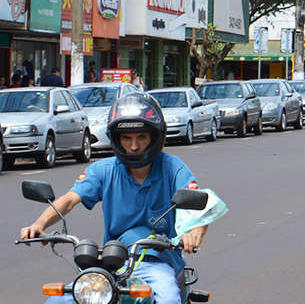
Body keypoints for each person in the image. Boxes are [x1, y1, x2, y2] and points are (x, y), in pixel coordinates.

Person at [20, 93, 207, 304]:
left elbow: (199, 205)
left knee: (168, 299)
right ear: (117, 139)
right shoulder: (104, 170)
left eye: (141, 137)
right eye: (126, 138)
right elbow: (70, 199)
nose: (134, 146)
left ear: (154, 137)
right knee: (59, 301)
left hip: (158, 261)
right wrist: (39, 224)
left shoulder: (173, 168)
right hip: (112, 260)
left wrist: (194, 232)